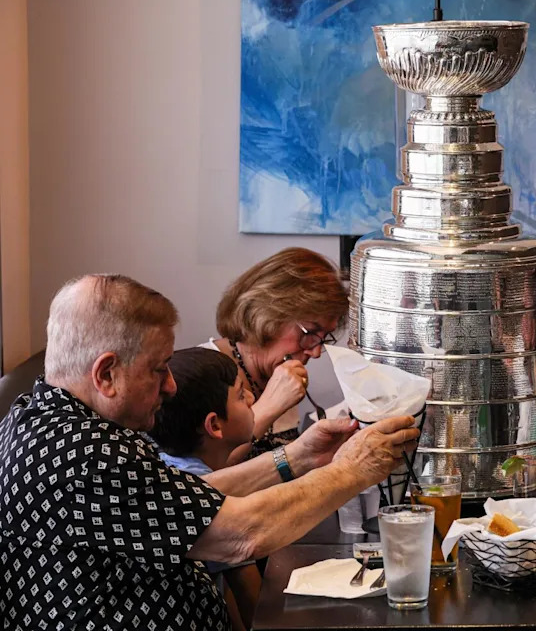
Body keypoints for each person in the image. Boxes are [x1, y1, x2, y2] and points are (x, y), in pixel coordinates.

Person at [0, 274, 419, 630]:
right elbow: (240, 535)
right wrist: (351, 470)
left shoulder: (41, 416)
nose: (170, 386)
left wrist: (297, 458)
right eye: (158, 369)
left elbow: (183, 496)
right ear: (106, 374)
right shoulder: (84, 454)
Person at [148, 347, 260, 631]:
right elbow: (254, 603)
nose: (252, 398)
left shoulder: (164, 468)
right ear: (214, 425)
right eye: (240, 394)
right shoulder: (208, 500)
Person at [206, 247, 348, 463]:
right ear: (269, 316)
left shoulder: (275, 372)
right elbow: (203, 478)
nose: (316, 351)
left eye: (324, 337)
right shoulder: (201, 377)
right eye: (310, 333)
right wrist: (271, 405)